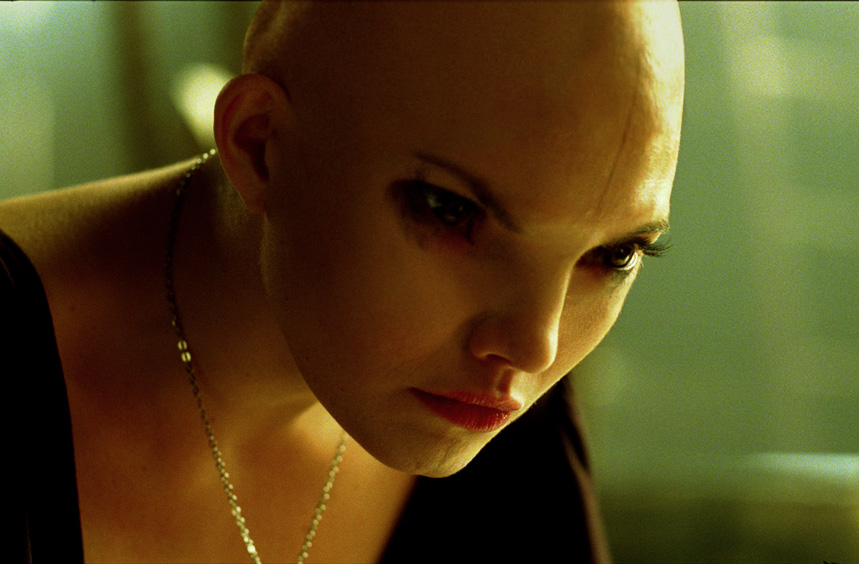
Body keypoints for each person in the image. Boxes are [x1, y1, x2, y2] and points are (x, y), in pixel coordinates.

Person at [2, 1, 684, 562]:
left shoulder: (505, 423)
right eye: (453, 213)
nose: (536, 347)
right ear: (260, 145)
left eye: (614, 255)